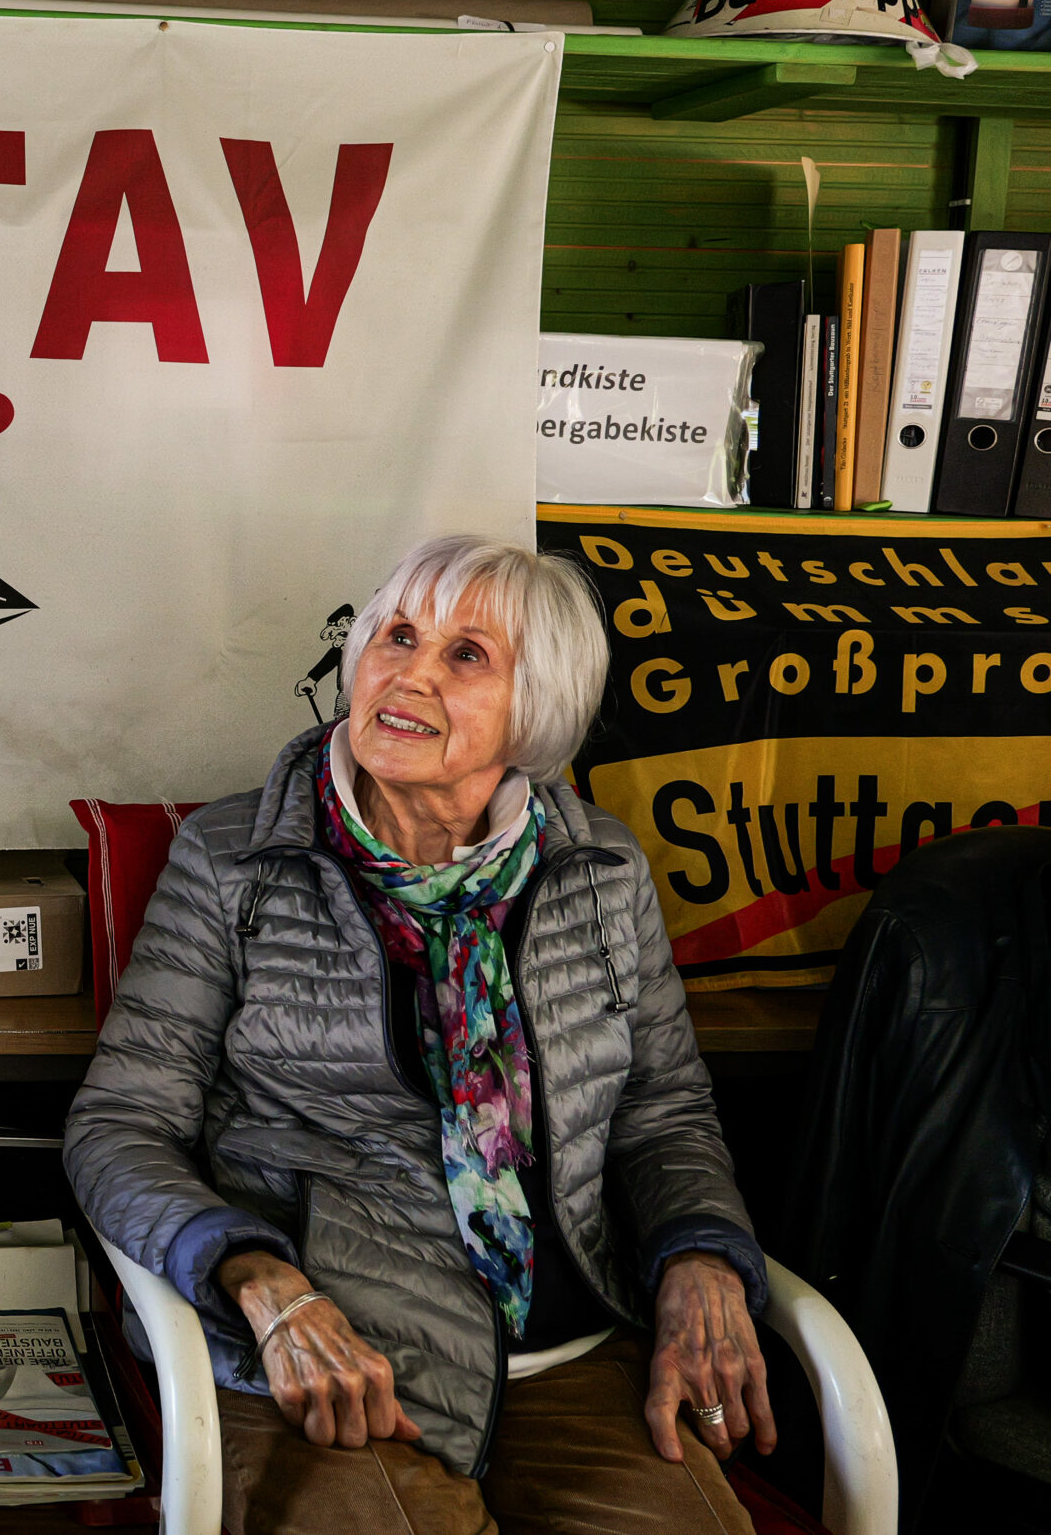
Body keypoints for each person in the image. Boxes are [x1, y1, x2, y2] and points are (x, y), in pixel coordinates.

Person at [67, 535, 772, 1534]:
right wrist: (257, 1278)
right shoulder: (234, 862)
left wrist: (701, 1255)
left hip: (572, 1356)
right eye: (395, 636)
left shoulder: (601, 869)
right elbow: (119, 1125)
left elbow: (662, 1115)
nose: (408, 672)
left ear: (536, 708)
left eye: (465, 654)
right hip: (333, 1353)